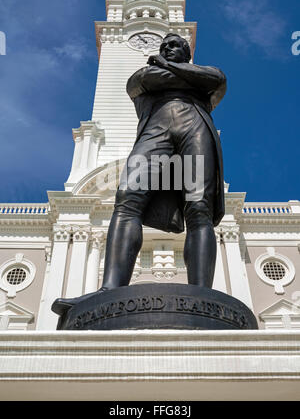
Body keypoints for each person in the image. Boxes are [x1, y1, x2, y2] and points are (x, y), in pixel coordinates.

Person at [52, 33, 226, 316]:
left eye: (175, 45)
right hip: (155, 129)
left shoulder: (181, 70)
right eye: (164, 46)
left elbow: (216, 79)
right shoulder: (144, 74)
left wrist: (168, 67)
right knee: (127, 199)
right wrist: (187, 76)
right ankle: (109, 288)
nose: (168, 48)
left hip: (195, 127)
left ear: (187, 51)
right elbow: (144, 81)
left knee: (199, 208)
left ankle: (202, 295)